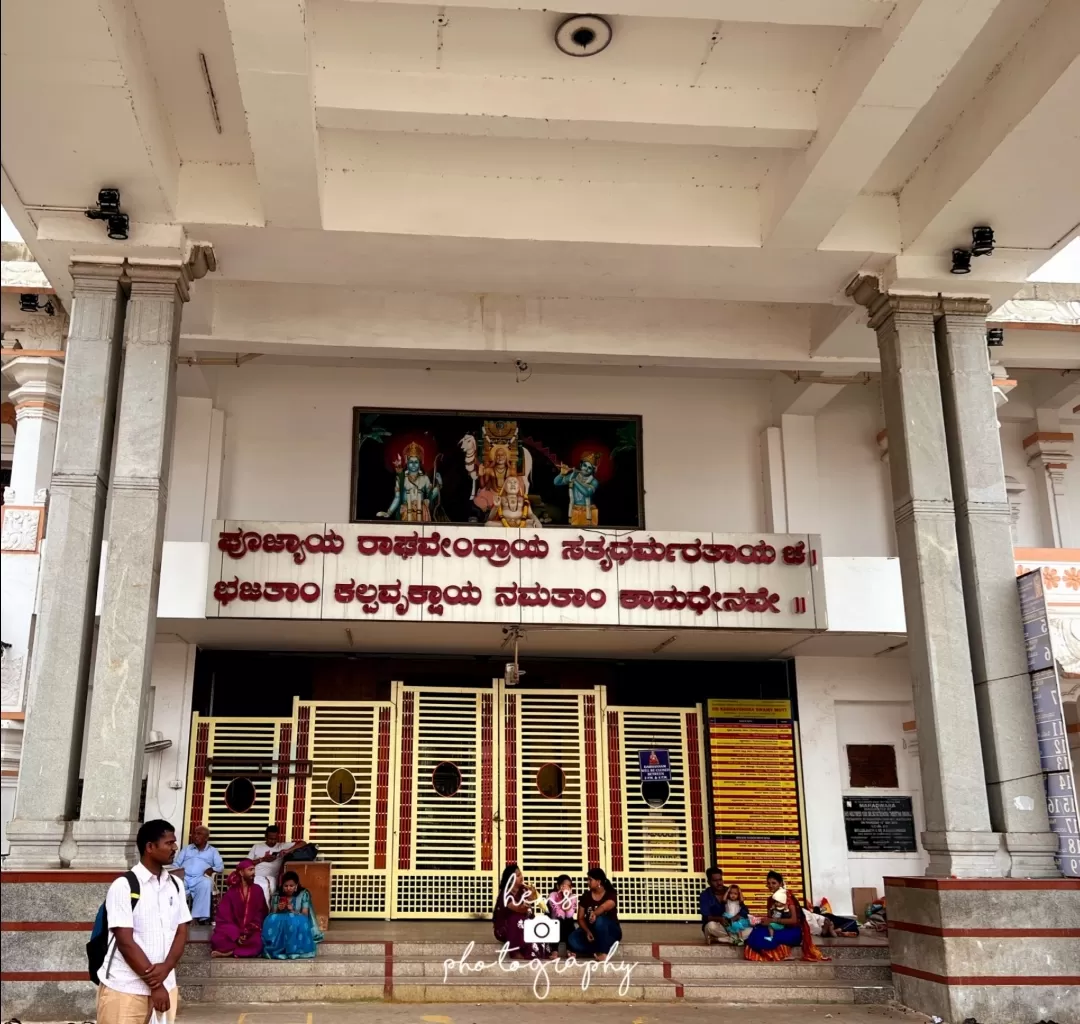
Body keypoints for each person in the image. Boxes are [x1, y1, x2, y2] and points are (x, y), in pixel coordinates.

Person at [97, 819, 190, 1024]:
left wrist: (166, 969)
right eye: (169, 843)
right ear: (150, 847)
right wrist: (156, 986)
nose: (175, 848)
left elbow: (181, 931)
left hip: (166, 986)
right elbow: (125, 942)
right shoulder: (124, 885)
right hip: (125, 988)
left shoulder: (176, 885)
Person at [743, 871, 829, 963]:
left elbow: (793, 920)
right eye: (768, 883)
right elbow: (771, 919)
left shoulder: (788, 898)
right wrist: (764, 921)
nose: (771, 885)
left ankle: (781, 954)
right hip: (777, 928)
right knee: (756, 932)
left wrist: (773, 920)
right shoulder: (770, 900)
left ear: (780, 884)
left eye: (774, 883)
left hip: (792, 930)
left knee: (763, 937)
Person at [492, 863, 551, 960]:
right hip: (506, 928)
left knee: (539, 923)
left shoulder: (523, 889)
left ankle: (540, 951)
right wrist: (527, 902)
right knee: (516, 919)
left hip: (523, 924)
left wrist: (533, 895)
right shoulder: (505, 894)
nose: (521, 877)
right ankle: (515, 951)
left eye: (521, 874)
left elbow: (532, 904)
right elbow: (519, 909)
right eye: (518, 875)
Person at [210, 860, 268, 958]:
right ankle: (238, 951)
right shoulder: (231, 893)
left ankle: (231, 952)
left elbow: (261, 913)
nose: (253, 873)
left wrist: (248, 930)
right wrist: (236, 935)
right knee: (218, 938)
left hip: (251, 930)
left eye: (254, 870)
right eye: (250, 870)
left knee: (258, 941)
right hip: (233, 931)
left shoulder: (258, 890)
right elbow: (224, 918)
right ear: (241, 873)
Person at [262, 870, 325, 959]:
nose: (288, 888)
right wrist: (279, 909)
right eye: (286, 886)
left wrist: (293, 910)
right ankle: (277, 948)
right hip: (281, 919)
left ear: (296, 886)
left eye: (291, 886)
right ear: (282, 886)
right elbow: (273, 912)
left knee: (292, 919)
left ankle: (293, 950)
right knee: (271, 918)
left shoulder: (303, 894)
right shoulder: (277, 895)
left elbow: (305, 914)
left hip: (298, 918)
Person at [170, 825, 223, 924]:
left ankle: (196, 917)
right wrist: (175, 872)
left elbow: (220, 867)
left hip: (200, 878)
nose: (195, 836)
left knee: (206, 883)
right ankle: (175, 917)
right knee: (174, 883)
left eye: (199, 834)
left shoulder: (212, 851)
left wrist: (212, 869)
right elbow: (176, 864)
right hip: (184, 877)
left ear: (206, 838)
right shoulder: (187, 849)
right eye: (194, 833)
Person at [567, 867, 622, 961]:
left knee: (600, 920)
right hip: (592, 932)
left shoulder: (610, 894)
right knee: (572, 939)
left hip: (610, 931)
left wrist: (595, 913)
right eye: (587, 880)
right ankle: (597, 949)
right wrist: (587, 931)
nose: (587, 882)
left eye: (590, 880)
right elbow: (580, 918)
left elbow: (605, 906)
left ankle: (604, 952)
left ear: (598, 881)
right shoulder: (586, 896)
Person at [248, 824, 305, 908]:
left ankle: (264, 912)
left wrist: (288, 850)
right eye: (270, 839)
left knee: (265, 887)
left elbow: (303, 843)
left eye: (275, 839)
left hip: (270, 878)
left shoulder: (281, 846)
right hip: (255, 876)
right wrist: (263, 859)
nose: (273, 841)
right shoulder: (257, 847)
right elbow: (246, 863)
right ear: (265, 837)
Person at [547, 874, 579, 956]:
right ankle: (554, 950)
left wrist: (566, 898)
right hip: (555, 925)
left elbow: (569, 914)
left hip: (566, 927)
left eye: (568, 886)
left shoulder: (573, 897)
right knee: (559, 921)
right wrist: (562, 898)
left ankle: (570, 949)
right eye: (563, 886)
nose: (566, 888)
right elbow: (558, 913)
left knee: (570, 922)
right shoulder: (553, 896)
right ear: (558, 886)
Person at [699, 865, 727, 944]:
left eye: (720, 879)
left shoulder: (730, 891)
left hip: (732, 926)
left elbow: (744, 911)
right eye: (715, 881)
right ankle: (735, 938)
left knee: (749, 929)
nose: (719, 883)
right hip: (716, 926)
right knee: (711, 926)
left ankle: (719, 939)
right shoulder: (704, 895)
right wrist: (720, 919)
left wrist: (736, 917)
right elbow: (706, 917)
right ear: (709, 882)